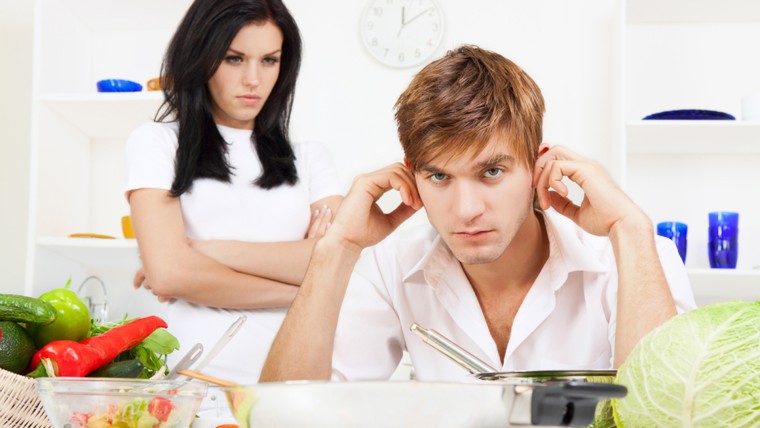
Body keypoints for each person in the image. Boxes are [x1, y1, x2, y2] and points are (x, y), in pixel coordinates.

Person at [260, 45, 697, 383]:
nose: (466, 210)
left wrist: (631, 228)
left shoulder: (633, 254)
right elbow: (279, 418)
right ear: (411, 178)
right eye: (439, 177)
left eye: (491, 171)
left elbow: (666, 418)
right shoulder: (391, 268)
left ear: (537, 166)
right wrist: (337, 247)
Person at [124, 0, 342, 385]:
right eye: (234, 59)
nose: (253, 80)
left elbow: (339, 266)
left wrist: (203, 250)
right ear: (200, 58)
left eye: (269, 60)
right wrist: (303, 291)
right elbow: (172, 274)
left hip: (298, 383)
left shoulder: (310, 158)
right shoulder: (157, 143)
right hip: (195, 389)